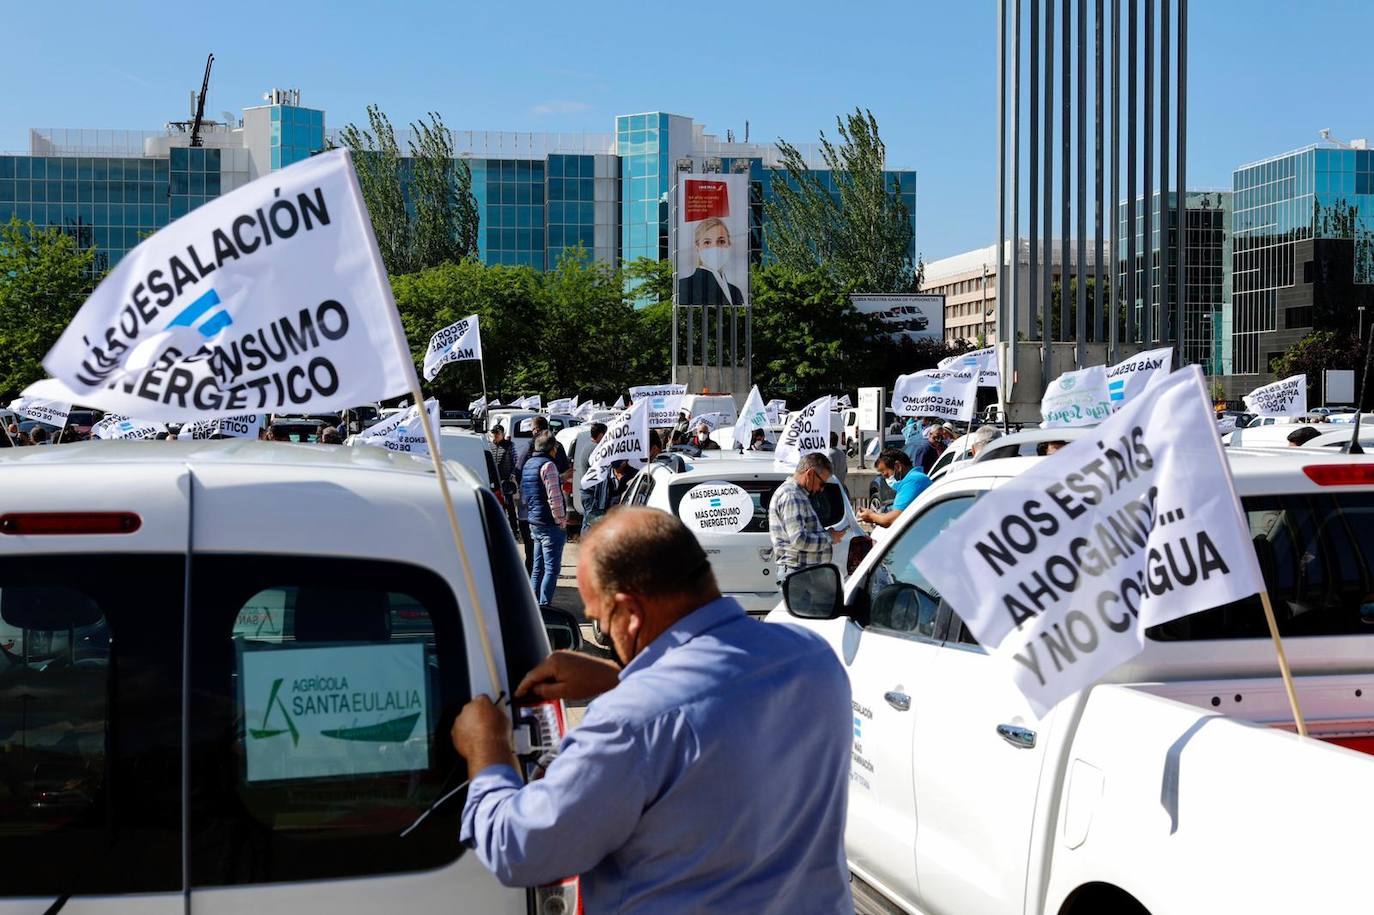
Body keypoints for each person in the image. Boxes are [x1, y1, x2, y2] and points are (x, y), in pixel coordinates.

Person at [451, 508, 853, 913]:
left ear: (629, 613)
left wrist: (487, 750)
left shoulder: (629, 722)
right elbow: (717, 715)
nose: (603, 632)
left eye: (600, 621)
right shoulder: (813, 659)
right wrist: (625, 680)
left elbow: (519, 849)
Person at [768, 452, 844, 581]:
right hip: (799, 574)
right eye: (822, 484)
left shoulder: (797, 494)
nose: (821, 489)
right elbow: (799, 540)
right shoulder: (792, 495)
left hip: (803, 573)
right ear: (810, 474)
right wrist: (830, 537)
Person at [522, 432, 567, 606]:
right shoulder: (548, 466)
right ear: (551, 448)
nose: (557, 450)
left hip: (534, 521)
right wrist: (561, 520)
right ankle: (545, 607)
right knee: (552, 569)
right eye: (556, 447)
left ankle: (534, 605)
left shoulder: (529, 464)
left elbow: (528, 495)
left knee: (537, 568)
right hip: (549, 523)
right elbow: (554, 498)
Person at [676, 217, 745, 306]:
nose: (715, 248)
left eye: (721, 241)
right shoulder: (684, 286)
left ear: (729, 245)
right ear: (697, 247)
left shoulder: (735, 291)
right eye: (707, 243)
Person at [857, 449, 932, 529]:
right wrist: (874, 515)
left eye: (886, 474)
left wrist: (871, 516)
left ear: (897, 466)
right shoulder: (915, 479)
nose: (886, 478)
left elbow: (893, 520)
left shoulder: (913, 481)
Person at [575, 422, 608, 532]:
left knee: (588, 521)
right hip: (591, 493)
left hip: (587, 492)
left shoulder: (587, 445)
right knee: (591, 523)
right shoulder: (596, 449)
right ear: (601, 435)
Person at [488, 425, 519, 532]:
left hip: (506, 481)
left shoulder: (509, 446)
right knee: (497, 507)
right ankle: (500, 530)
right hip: (493, 483)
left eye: (497, 433)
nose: (495, 435)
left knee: (510, 507)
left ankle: (514, 530)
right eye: (494, 433)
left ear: (502, 434)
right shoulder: (489, 446)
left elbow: (516, 462)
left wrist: (512, 475)